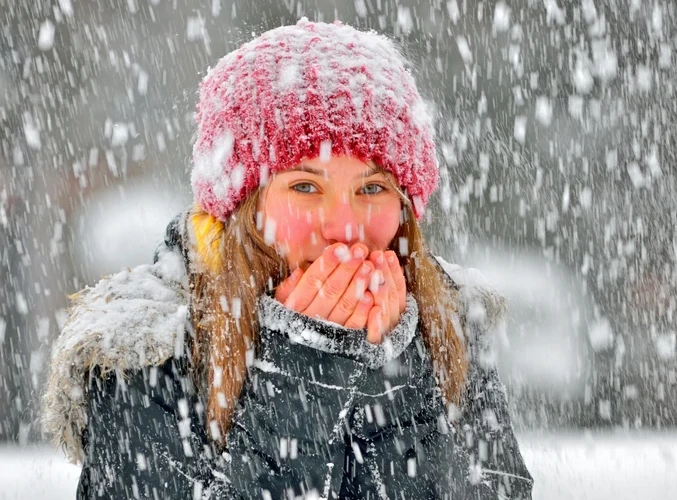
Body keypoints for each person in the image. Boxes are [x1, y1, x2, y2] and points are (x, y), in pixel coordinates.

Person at [41, 19, 533, 499]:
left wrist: (393, 370)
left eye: (373, 187)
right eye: (304, 186)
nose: (344, 226)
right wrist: (304, 370)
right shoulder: (147, 351)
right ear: (241, 209)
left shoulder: (446, 324)